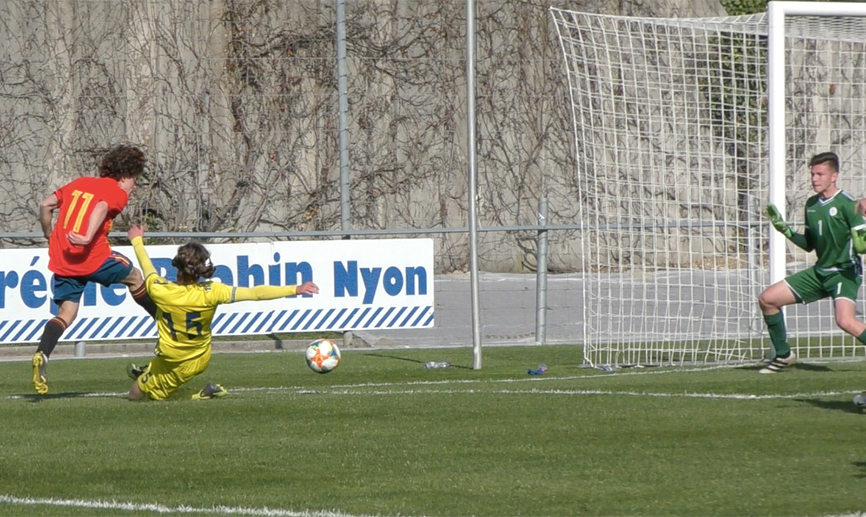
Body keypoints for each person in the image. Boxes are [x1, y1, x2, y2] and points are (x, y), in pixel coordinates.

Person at [125, 225, 319, 401]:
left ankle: (202, 395)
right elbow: (255, 293)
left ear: (177, 265)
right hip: (198, 357)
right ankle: (148, 371)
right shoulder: (213, 292)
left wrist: (137, 240)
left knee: (138, 397)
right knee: (149, 380)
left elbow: (147, 268)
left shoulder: (160, 289)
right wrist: (295, 288)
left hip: (177, 362)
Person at [32, 145, 158, 395]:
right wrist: (88, 236)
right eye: (134, 180)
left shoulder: (79, 183)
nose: (133, 186)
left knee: (66, 313)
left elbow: (46, 205)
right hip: (92, 256)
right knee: (135, 278)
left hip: (63, 258)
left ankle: (42, 354)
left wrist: (48, 234)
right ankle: (166, 325)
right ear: (124, 176)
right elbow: (101, 206)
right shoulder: (117, 192)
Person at [760, 151, 866, 374]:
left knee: (845, 321)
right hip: (820, 272)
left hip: (843, 272)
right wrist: (785, 230)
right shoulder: (811, 205)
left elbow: (862, 246)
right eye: (813, 174)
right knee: (768, 299)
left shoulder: (849, 205)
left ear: (834, 176)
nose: (815, 179)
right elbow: (809, 244)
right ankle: (784, 355)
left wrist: (861, 240)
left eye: (820, 174)